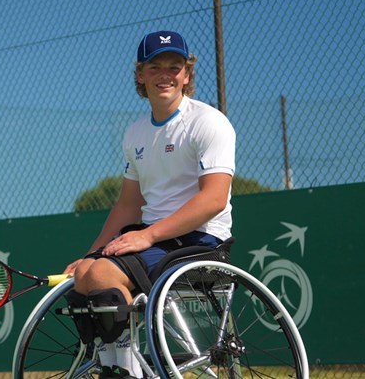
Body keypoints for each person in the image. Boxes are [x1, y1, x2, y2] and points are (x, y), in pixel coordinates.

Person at [63, 30, 236, 378]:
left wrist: (148, 235)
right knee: (85, 273)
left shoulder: (208, 122)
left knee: (102, 274)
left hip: (201, 241)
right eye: (155, 67)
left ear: (187, 75)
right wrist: (91, 252)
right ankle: (115, 365)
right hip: (155, 239)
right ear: (141, 75)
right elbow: (128, 206)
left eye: (175, 67)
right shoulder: (136, 133)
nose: (165, 75)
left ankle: (126, 371)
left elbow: (214, 198)